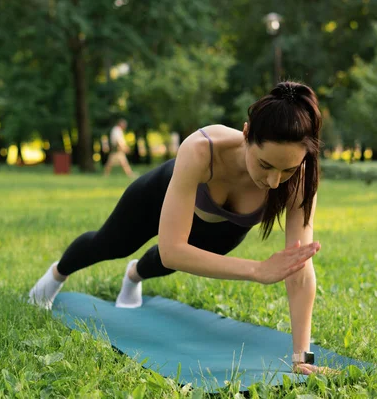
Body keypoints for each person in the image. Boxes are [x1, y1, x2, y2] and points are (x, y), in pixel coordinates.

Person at [29, 81, 326, 375]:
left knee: (165, 263)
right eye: (265, 165)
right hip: (156, 196)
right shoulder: (202, 149)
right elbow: (174, 249)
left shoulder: (300, 181)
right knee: (110, 244)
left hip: (222, 232)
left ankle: (134, 275)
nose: (274, 181)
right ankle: (57, 274)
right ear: (247, 133)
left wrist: (303, 359)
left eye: (286, 170)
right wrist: (257, 270)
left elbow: (299, 271)